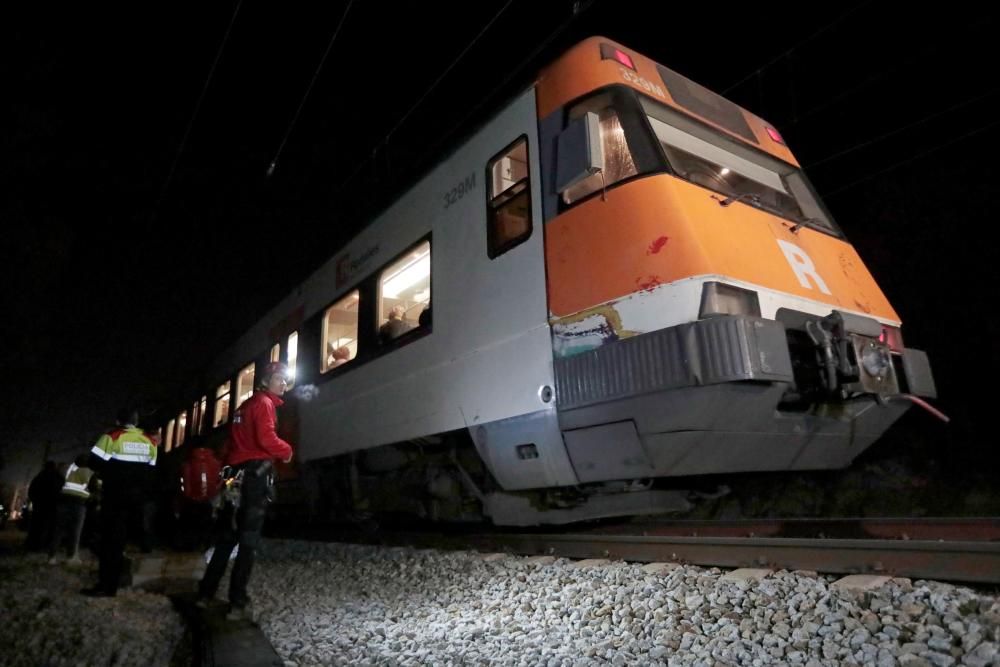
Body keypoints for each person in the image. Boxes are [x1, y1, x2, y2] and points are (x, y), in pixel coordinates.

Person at [197, 362, 293, 621]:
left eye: (286, 381)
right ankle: (237, 603)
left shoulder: (244, 406)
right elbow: (266, 439)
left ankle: (204, 595)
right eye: (279, 379)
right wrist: (286, 451)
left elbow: (230, 446)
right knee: (248, 540)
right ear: (266, 381)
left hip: (235, 477)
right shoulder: (264, 404)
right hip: (254, 478)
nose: (284, 384)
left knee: (227, 537)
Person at [81, 406, 157, 597]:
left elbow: (93, 463)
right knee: (128, 539)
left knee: (110, 541)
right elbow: (151, 471)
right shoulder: (150, 441)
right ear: (136, 421)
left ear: (118, 421)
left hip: (115, 497)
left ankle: (107, 585)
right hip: (138, 500)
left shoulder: (112, 437)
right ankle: (121, 577)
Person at [48, 453, 94, 565]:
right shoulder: (88, 471)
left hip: (63, 501)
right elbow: (94, 487)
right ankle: (71, 557)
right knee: (75, 532)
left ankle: (51, 557)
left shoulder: (68, 469)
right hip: (78, 503)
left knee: (58, 531)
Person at [26, 461, 63, 551]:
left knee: (37, 526)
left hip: (40, 506)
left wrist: (35, 500)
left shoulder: (39, 477)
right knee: (50, 527)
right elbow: (63, 491)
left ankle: (35, 545)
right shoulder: (58, 477)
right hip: (52, 506)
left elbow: (31, 491)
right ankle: (46, 545)